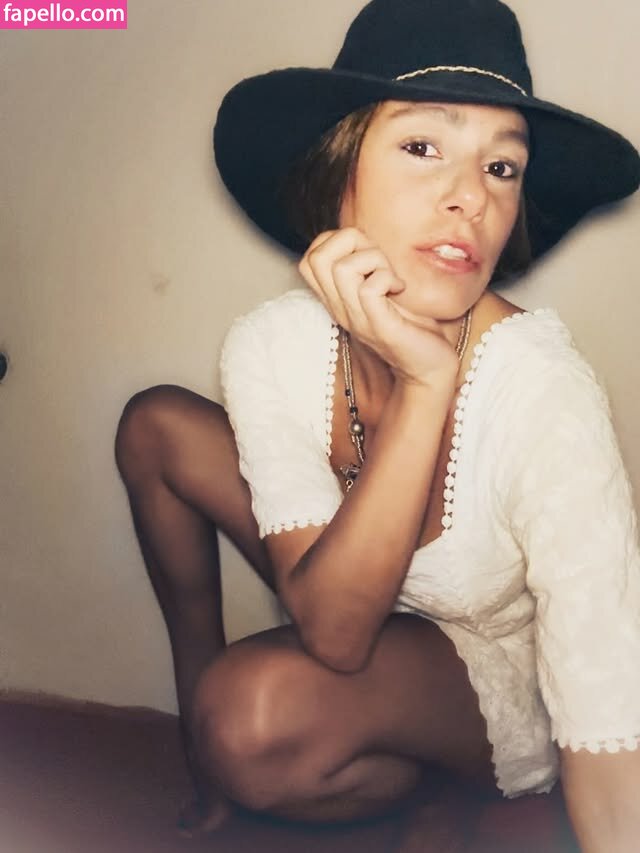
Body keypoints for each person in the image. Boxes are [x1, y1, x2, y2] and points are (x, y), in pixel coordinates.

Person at [115, 0, 640, 849]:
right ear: (339, 171)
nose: (470, 197)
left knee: (251, 713)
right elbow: (334, 626)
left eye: (502, 166)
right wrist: (420, 382)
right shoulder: (272, 343)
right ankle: (210, 750)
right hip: (352, 605)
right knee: (156, 425)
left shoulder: (543, 385)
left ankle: (456, 776)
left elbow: (609, 709)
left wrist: (429, 381)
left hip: (488, 661)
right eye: (422, 147)